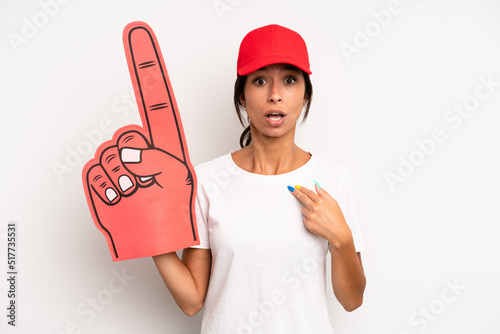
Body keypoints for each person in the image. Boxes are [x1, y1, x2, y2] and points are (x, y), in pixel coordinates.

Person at [152, 24, 366, 334]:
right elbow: (191, 300)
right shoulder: (205, 181)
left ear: (305, 94)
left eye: (289, 80)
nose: (275, 95)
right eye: (260, 80)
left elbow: (352, 300)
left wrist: (342, 238)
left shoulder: (332, 180)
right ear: (242, 95)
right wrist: (148, 233)